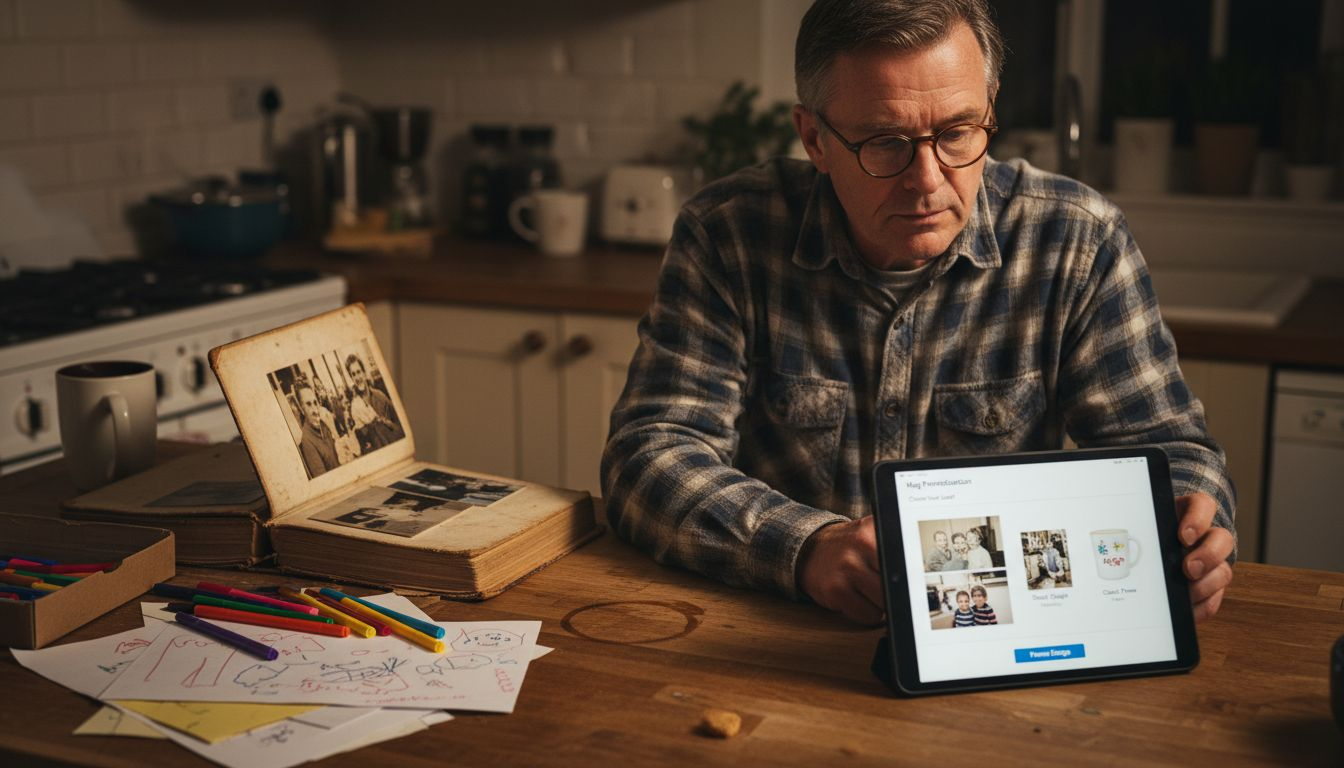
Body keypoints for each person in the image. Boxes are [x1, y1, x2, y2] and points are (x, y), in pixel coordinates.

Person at [601, 0, 1235, 627]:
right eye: (886, 142)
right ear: (815, 139)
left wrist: (1193, 530)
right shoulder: (729, 233)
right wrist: (804, 548)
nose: (928, 179)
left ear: (990, 113)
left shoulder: (1075, 239)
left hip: (1000, 627)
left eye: (958, 133)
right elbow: (649, 453)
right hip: (777, 630)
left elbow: (1168, 449)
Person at [346, 354, 405, 453]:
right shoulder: (354, 408)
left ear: (364, 373)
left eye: (358, 372)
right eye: (353, 374)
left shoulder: (380, 396)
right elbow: (363, 441)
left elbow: (399, 421)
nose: (357, 377)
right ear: (351, 378)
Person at [296, 383, 339, 478]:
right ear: (301, 409)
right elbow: (323, 479)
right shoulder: (307, 441)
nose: (315, 410)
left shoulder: (324, 426)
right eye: (308, 404)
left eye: (315, 403)